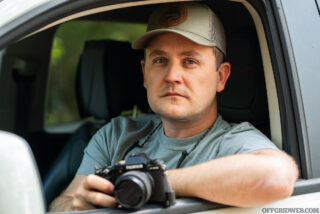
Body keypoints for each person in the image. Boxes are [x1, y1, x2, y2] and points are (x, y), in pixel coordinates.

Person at [49, 3, 298, 211]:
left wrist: (150, 181)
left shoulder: (233, 143)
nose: (172, 75)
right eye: (160, 60)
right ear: (145, 74)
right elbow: (61, 204)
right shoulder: (116, 135)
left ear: (220, 77)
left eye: (189, 61)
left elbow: (275, 176)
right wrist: (73, 205)